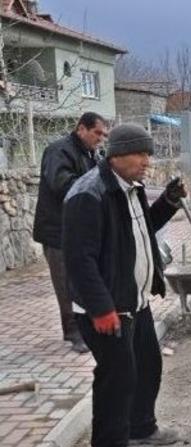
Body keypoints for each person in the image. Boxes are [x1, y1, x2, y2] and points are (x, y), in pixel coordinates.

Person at [63, 124, 187, 447]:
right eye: (141, 154)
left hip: (135, 302)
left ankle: (141, 427)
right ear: (117, 155)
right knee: (116, 380)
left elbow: (142, 228)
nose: (147, 161)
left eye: (149, 154)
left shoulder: (129, 188)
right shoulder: (89, 193)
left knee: (147, 366)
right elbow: (79, 260)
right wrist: (101, 308)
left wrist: (168, 201)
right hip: (106, 309)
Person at [33, 112, 107, 354]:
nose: (100, 139)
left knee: (83, 279)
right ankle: (73, 332)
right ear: (81, 129)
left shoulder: (91, 155)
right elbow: (62, 183)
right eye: (97, 133)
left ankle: (86, 325)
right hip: (57, 231)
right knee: (65, 283)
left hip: (79, 231)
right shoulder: (59, 151)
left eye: (104, 135)